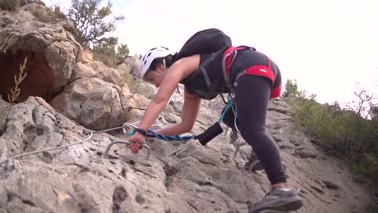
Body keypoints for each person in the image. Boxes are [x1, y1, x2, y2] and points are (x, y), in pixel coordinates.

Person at [126, 32, 303, 213]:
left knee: (252, 128)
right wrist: (148, 135)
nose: (154, 84)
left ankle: (282, 188)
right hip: (259, 70)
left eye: (151, 78)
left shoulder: (179, 65)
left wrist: (140, 130)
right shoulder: (191, 87)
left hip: (252, 68)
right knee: (230, 117)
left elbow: (159, 101)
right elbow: (185, 125)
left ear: (160, 66)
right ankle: (262, 154)